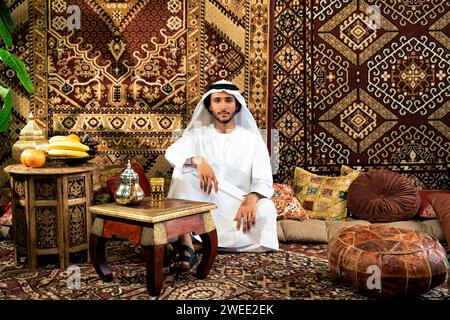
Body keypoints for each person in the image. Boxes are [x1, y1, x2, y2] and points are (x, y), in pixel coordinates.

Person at [164, 80, 278, 271]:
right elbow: (171, 153)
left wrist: (251, 199)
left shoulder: (252, 140)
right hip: (203, 201)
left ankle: (195, 244)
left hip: (236, 204)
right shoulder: (197, 135)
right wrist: (198, 160)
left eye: (228, 100)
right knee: (182, 173)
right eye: (217, 100)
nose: (223, 106)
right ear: (209, 106)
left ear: (237, 105)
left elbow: (264, 180)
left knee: (267, 208)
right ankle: (188, 239)